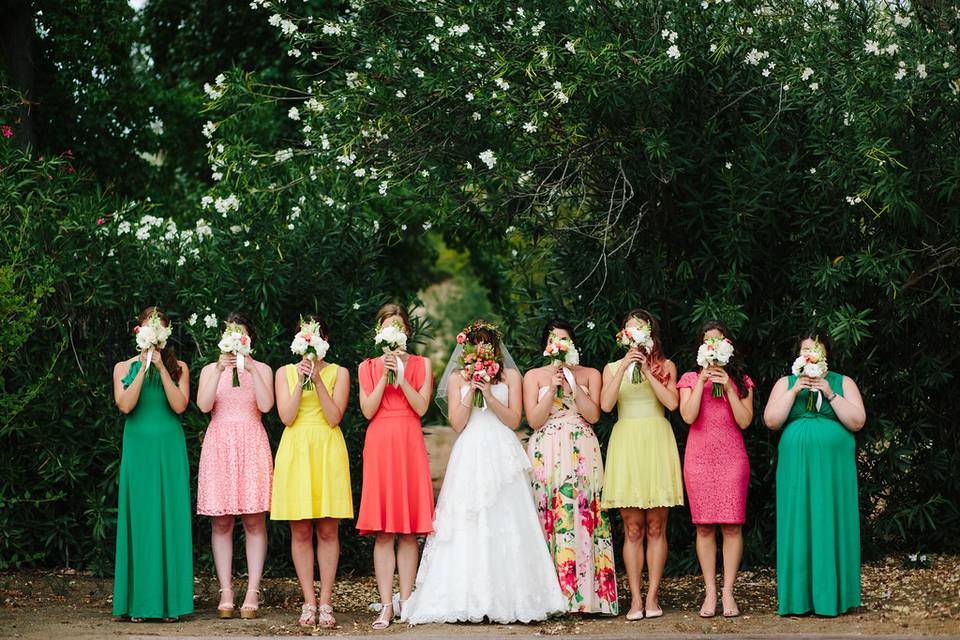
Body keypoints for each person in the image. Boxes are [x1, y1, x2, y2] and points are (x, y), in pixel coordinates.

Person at [402, 321, 566, 624]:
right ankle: (468, 596)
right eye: (475, 344)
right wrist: (472, 389)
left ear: (494, 347)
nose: (481, 349)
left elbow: (514, 420)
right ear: (467, 349)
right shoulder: (455, 379)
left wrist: (489, 395)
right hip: (471, 450)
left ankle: (510, 597)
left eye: (486, 343)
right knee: (468, 518)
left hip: (502, 448)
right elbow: (457, 423)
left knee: (507, 518)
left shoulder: (511, 376)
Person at [764, 330, 866, 617]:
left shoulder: (843, 382)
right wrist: (796, 389)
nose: (810, 353)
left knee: (833, 520)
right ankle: (798, 599)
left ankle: (837, 596)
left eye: (816, 349)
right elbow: (772, 421)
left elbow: (857, 421)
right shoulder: (786, 382)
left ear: (826, 354)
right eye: (806, 348)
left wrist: (829, 393)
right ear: (798, 354)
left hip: (835, 471)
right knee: (798, 520)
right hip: (796, 469)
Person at [524, 319, 618, 615]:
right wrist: (552, 389)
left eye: (564, 339)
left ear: (572, 344)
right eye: (553, 339)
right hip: (546, 450)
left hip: (582, 450)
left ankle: (587, 598)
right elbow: (534, 421)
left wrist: (573, 386)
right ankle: (550, 598)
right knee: (549, 513)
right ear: (546, 346)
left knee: (583, 513)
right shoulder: (534, 376)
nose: (559, 344)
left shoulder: (589, 374)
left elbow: (594, 415)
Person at [271, 316, 353, 627]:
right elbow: (287, 417)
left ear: (324, 343)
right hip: (296, 449)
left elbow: (334, 417)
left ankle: (327, 602)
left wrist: (317, 380)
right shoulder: (284, 373)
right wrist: (300, 381)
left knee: (329, 529)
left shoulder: (339, 373)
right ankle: (308, 601)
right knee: (301, 530)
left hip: (327, 449)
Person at [111, 307, 192, 622]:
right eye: (147, 326)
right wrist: (144, 369)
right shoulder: (123, 367)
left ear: (165, 333)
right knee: (141, 521)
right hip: (139, 448)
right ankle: (141, 604)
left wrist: (160, 367)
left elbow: (180, 405)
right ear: (138, 331)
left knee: (169, 519)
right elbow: (125, 405)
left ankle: (172, 604)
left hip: (168, 448)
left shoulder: (179, 367)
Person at [599, 309, 682, 620]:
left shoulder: (665, 366)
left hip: (656, 440)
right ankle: (634, 598)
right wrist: (625, 366)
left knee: (657, 526)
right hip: (627, 443)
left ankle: (652, 596)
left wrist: (647, 370)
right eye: (629, 330)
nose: (634, 334)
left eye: (640, 329)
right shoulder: (610, 368)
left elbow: (672, 404)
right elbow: (606, 405)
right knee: (632, 528)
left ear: (650, 334)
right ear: (623, 336)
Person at [356, 304, 434, 629]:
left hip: (408, 440)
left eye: (399, 326)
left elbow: (422, 406)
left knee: (408, 531)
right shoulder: (366, 367)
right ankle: (386, 605)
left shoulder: (423, 364)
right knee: (384, 530)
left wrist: (401, 376)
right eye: (388, 325)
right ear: (379, 332)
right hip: (380, 441)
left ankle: (407, 601)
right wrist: (383, 376)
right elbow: (367, 410)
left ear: (406, 333)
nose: (394, 330)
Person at [196, 312, 274, 620]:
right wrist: (217, 369)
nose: (236, 339)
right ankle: (226, 590)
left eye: (241, 334)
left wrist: (252, 369)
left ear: (249, 338)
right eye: (231, 334)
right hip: (220, 444)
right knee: (222, 522)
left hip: (251, 441)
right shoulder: (209, 370)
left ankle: (253, 590)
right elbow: (203, 406)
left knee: (254, 521)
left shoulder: (263, 369)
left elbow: (266, 406)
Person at [677, 320, 753, 618]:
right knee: (705, 526)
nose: (712, 345)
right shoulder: (687, 378)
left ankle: (728, 592)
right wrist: (701, 382)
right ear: (701, 348)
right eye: (707, 341)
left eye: (717, 340)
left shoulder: (741, 379)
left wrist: (728, 387)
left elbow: (745, 421)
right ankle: (709, 591)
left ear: (727, 347)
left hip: (732, 458)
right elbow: (688, 415)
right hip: (699, 459)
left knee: (732, 525)